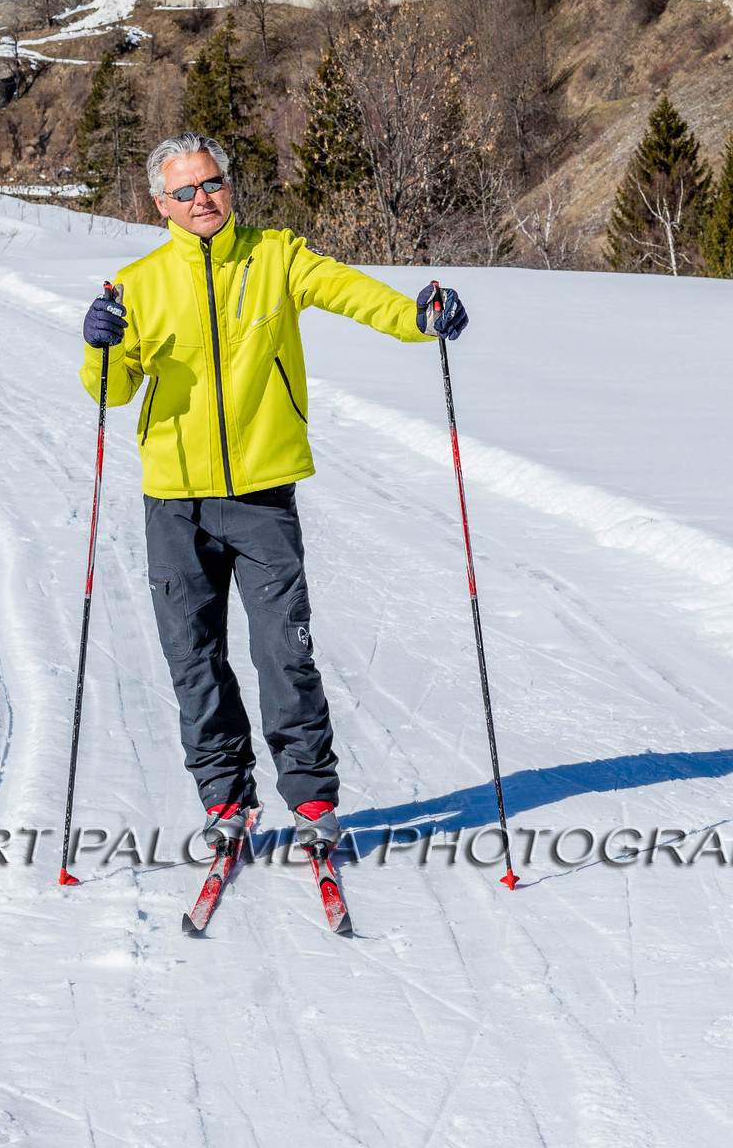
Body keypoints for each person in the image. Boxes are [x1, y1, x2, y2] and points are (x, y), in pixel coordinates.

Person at [79, 130, 467, 854]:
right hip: (174, 502)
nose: (204, 199)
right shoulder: (137, 283)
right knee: (194, 657)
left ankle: (313, 798)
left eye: (213, 182)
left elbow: (352, 293)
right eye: (186, 190)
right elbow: (112, 389)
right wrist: (99, 343)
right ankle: (226, 800)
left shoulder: (277, 256)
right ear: (160, 203)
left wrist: (418, 318)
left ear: (231, 184)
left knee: (284, 650)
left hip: (262, 494)